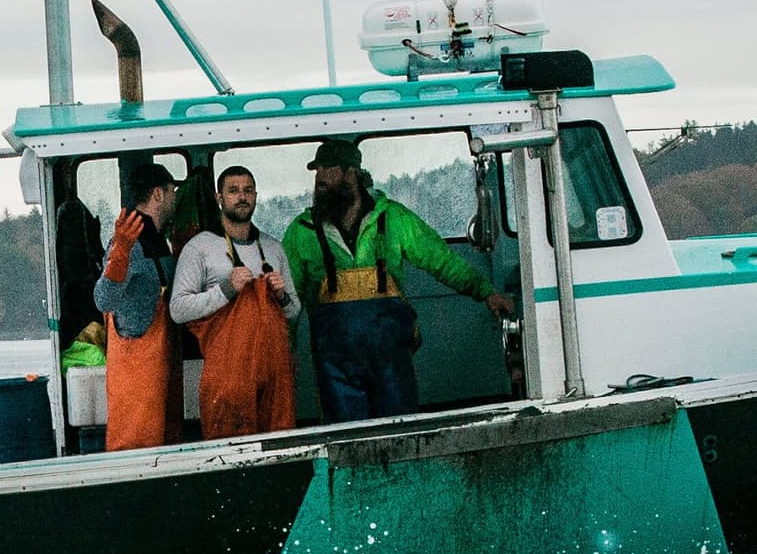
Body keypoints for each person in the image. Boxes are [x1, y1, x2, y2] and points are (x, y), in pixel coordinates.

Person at [282, 136, 512, 420]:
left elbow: (441, 260)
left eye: (327, 168)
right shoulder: (300, 231)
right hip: (336, 369)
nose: (319, 178)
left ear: (351, 172)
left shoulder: (394, 218)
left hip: (391, 360)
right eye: (317, 170)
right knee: (345, 440)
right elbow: (288, 302)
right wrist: (285, 349)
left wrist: (486, 292)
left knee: (399, 430)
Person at [170, 161, 299, 438]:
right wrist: (226, 289)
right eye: (233, 190)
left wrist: (282, 296)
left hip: (276, 380)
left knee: (280, 446)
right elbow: (178, 309)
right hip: (230, 378)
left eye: (248, 190)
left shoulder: (274, 248)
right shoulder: (200, 247)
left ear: (255, 196)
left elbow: (295, 312)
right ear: (219, 198)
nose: (242, 196)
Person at [91, 157, 181, 450]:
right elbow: (104, 299)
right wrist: (120, 255)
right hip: (135, 366)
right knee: (134, 444)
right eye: (172, 191)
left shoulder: (158, 239)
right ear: (158, 194)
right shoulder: (128, 241)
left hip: (160, 361)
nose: (175, 198)